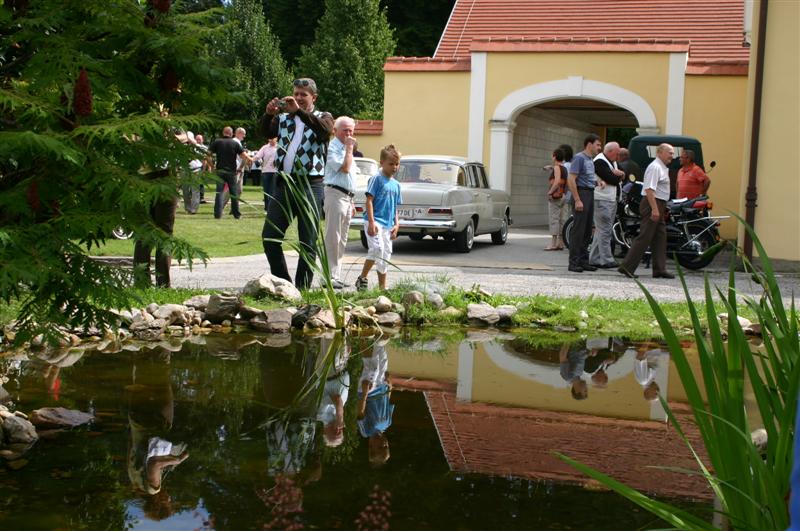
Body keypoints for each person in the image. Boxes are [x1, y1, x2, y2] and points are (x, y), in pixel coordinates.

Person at [258, 77, 334, 289]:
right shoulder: (284, 119)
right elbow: (265, 132)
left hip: (311, 183)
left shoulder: (323, 117)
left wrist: (300, 112)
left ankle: (303, 288)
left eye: (304, 95)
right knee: (270, 237)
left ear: (314, 97)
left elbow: (325, 132)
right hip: (284, 183)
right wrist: (268, 114)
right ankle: (284, 284)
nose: (299, 98)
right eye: (296, 94)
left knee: (307, 241)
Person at [126, 349, 189, 520]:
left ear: (159, 503)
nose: (170, 498)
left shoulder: (153, 488)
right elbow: (131, 444)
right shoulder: (134, 480)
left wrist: (178, 459)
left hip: (155, 423)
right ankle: (141, 346)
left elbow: (154, 463)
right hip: (137, 421)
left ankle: (163, 345)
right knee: (140, 377)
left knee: (162, 378)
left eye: (169, 502)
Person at [618, 143, 676, 279]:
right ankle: (627, 267)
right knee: (645, 236)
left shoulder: (662, 167)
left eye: (672, 153)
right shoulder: (655, 167)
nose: (672, 156)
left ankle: (659, 269)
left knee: (660, 237)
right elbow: (649, 189)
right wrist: (655, 209)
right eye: (670, 153)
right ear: (660, 152)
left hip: (659, 203)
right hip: (652, 204)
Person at [354, 145, 402, 292]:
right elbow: (369, 201)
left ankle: (382, 287)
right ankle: (362, 278)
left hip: (388, 224)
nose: (394, 167)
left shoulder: (396, 184)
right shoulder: (376, 179)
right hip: (374, 221)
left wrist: (397, 224)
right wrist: (372, 222)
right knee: (377, 249)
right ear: (382, 163)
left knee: (385, 254)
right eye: (391, 164)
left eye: (397, 164)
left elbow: (395, 207)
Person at [323, 116, 358, 289]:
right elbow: (344, 168)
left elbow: (350, 177)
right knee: (333, 237)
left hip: (346, 196)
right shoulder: (333, 148)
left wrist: (352, 201)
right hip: (335, 194)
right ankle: (328, 276)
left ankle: (335, 275)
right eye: (345, 130)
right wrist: (350, 149)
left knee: (342, 239)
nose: (349, 134)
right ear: (335, 131)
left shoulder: (345, 148)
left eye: (351, 130)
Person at [566, 134, 602, 273]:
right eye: (598, 145)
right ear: (589, 144)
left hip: (589, 193)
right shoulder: (579, 158)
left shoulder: (590, 159)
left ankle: (583, 261)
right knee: (578, 230)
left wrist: (597, 182)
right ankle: (573, 262)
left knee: (587, 230)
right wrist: (577, 199)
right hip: (582, 194)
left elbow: (584, 178)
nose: (599, 148)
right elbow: (571, 179)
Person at [358, 338, 394, 466]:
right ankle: (377, 337)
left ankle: (362, 336)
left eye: (381, 448)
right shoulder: (387, 424)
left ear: (371, 447)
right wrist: (390, 388)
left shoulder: (366, 431)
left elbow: (361, 413)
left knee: (372, 368)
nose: (385, 444)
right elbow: (387, 403)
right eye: (386, 447)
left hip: (369, 391)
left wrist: (365, 393)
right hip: (382, 388)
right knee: (383, 361)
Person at [588, 141, 624, 268]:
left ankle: (594, 259)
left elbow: (620, 174)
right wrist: (618, 175)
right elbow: (612, 179)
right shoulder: (600, 161)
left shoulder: (611, 161)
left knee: (601, 230)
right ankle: (606, 260)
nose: (618, 154)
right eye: (617, 152)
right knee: (605, 230)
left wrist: (619, 174)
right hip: (602, 200)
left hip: (609, 199)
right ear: (610, 151)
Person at [208, 126, 251, 220]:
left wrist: (212, 166)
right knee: (234, 193)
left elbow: (207, 155)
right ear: (232, 134)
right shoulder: (235, 143)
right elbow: (245, 157)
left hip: (220, 171)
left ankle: (218, 214)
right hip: (231, 172)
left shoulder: (217, 142)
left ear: (223, 132)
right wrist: (240, 168)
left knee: (219, 193)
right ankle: (237, 214)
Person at [545, 147, 568, 250]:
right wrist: (550, 167)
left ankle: (553, 244)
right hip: (563, 195)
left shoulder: (557, 168)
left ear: (554, 156)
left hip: (555, 197)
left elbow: (557, 180)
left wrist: (550, 192)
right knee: (562, 219)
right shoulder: (564, 168)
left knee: (554, 219)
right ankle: (561, 243)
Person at [253, 137, 278, 211]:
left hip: (275, 172)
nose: (270, 140)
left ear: (276, 139)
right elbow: (257, 156)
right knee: (266, 191)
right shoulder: (265, 147)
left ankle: (272, 209)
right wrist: (251, 159)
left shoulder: (279, 147)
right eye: (269, 139)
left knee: (273, 190)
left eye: (272, 139)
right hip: (266, 171)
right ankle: (267, 208)